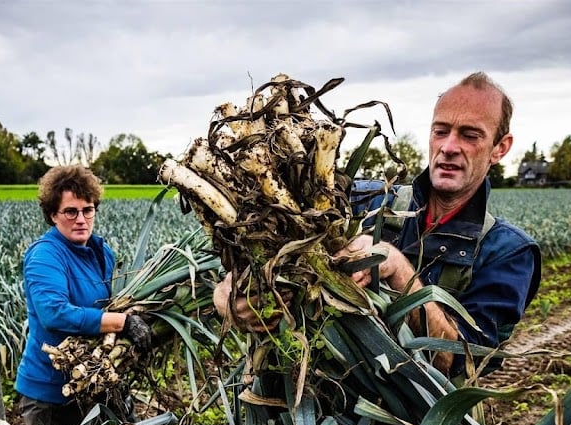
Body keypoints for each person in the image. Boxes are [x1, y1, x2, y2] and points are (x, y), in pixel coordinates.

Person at [214, 71, 540, 379]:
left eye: (470, 135)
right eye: (441, 131)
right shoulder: (365, 199)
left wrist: (398, 269)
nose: (449, 147)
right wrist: (230, 292)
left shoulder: (509, 252)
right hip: (307, 414)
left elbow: (463, 362)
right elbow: (273, 243)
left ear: (500, 148)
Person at [15, 165, 152, 425]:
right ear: (53, 215)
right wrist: (122, 323)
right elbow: (55, 314)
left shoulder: (101, 252)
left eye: (87, 210)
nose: (81, 219)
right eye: (71, 211)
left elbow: (112, 303)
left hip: (97, 379)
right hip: (52, 394)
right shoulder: (45, 256)